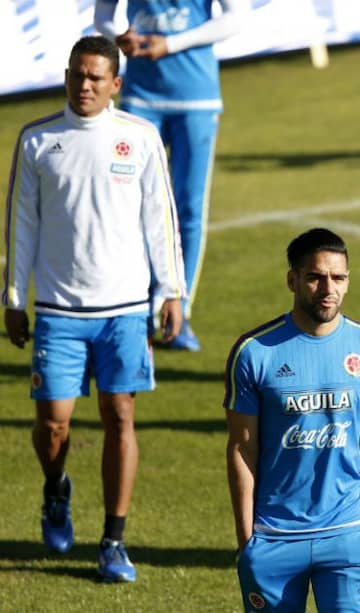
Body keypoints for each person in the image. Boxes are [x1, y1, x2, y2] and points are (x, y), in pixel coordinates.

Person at [2, 35, 186, 582]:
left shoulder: (140, 138)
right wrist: (13, 298)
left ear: (115, 85)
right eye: (77, 76)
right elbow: (21, 225)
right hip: (58, 309)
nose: (84, 86)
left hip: (125, 310)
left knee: (120, 416)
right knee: (53, 426)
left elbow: (161, 220)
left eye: (96, 78)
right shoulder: (37, 140)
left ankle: (112, 541)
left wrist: (171, 290)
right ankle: (56, 488)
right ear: (66, 76)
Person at [225, 228, 360, 612]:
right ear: (293, 280)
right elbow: (242, 447)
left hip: (350, 534)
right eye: (315, 277)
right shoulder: (255, 352)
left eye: (338, 278)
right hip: (274, 536)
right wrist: (246, 540)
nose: (327, 289)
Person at [95, 0, 245, 351]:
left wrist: (172, 43)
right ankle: (133, 311)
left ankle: (180, 311)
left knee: (188, 209)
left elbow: (237, 18)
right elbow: (102, 13)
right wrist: (117, 37)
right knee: (127, 209)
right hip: (140, 99)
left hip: (197, 99)